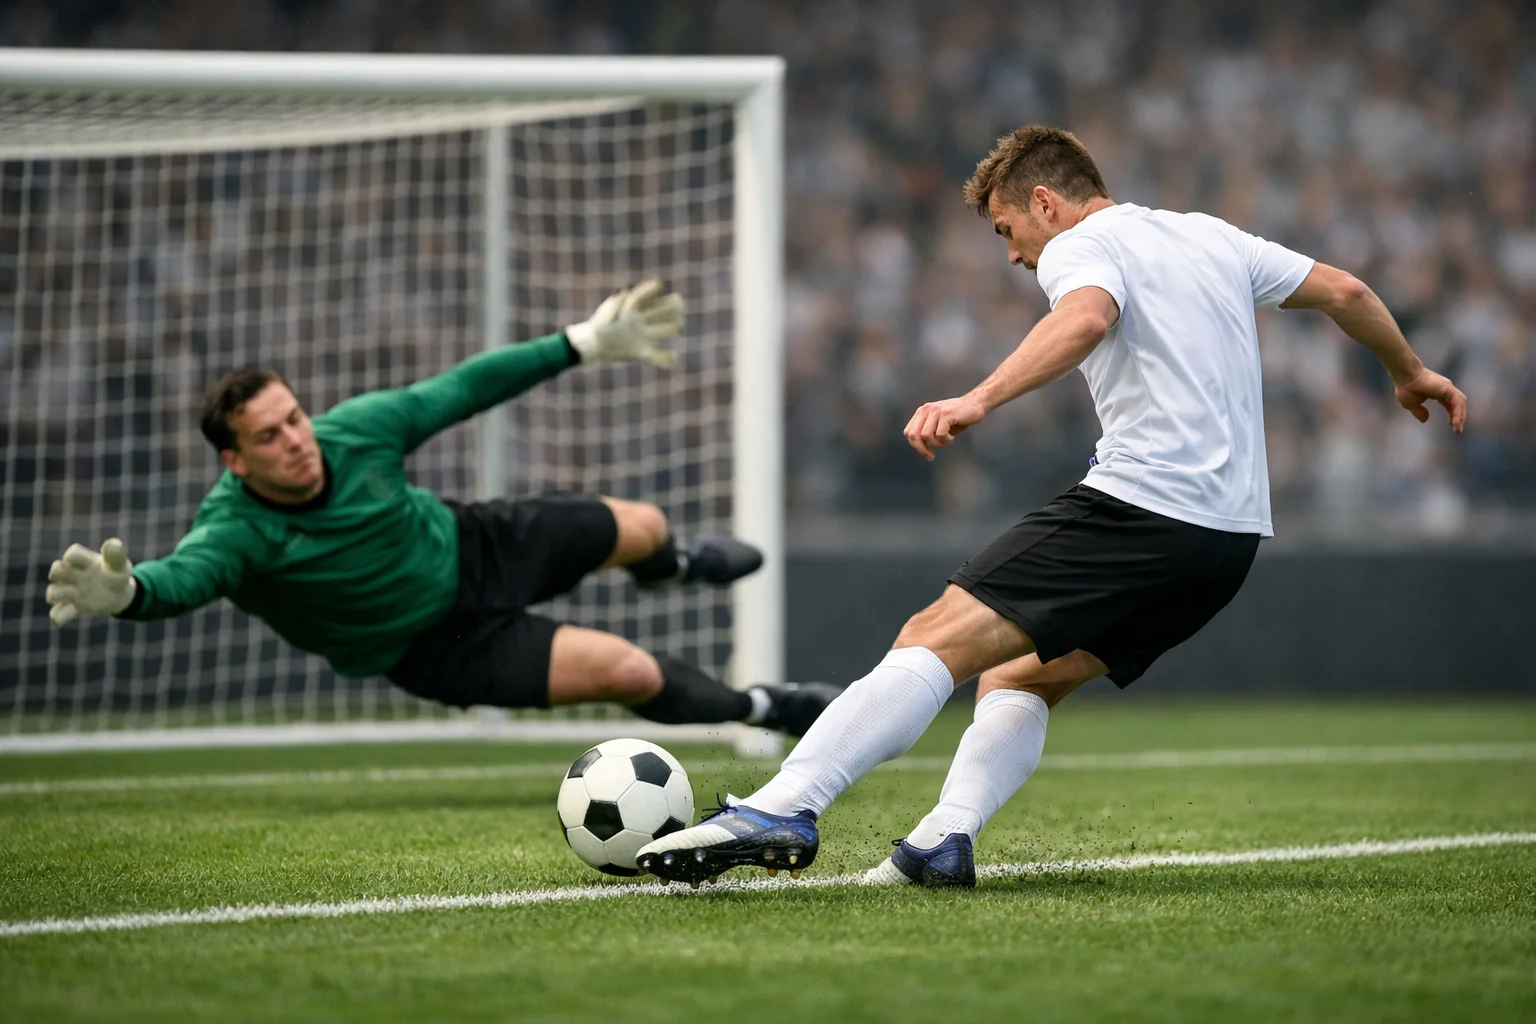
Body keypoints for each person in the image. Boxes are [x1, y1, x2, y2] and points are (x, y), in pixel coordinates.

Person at [637, 126, 1468, 887]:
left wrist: (977, 398)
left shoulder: (1084, 242)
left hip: (1142, 508)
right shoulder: (1213, 236)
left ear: (1045, 202)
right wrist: (1408, 370)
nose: (1012, 255)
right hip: (1228, 543)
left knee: (932, 637)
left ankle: (784, 805)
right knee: (1019, 675)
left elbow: (1085, 319)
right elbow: (1350, 292)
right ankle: (943, 840)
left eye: (1007, 231)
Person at [44, 279, 837, 736]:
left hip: (472, 541)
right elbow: (185, 577)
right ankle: (767, 706)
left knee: (646, 526)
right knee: (626, 669)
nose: (296, 439)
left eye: (294, 418)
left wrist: (582, 343)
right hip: (437, 645)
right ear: (235, 458)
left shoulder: (353, 431)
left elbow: (461, 388)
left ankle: (674, 565)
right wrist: (132, 594)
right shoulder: (238, 531)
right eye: (270, 435)